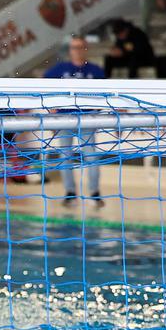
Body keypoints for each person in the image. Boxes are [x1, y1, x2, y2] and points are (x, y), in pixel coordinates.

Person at [43, 36, 105, 207]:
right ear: (70, 50)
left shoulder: (96, 71)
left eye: (80, 47)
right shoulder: (60, 69)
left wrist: (96, 113)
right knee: (65, 156)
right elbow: (43, 87)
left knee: (91, 156)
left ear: (85, 49)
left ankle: (94, 192)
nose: (77, 51)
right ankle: (70, 192)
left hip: (86, 120)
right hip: (65, 119)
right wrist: (52, 110)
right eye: (73, 47)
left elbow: (105, 94)